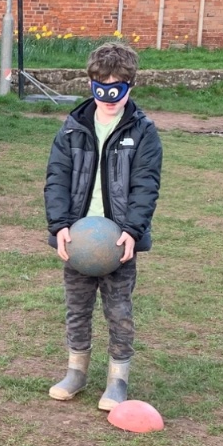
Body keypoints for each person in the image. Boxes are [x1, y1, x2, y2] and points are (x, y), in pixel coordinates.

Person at [44, 41, 163, 409]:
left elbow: (146, 185)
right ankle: (76, 371)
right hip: (77, 239)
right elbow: (56, 179)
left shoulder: (143, 131)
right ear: (91, 85)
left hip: (119, 242)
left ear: (131, 86)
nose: (109, 97)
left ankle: (117, 379)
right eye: (102, 89)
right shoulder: (72, 128)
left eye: (118, 89)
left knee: (119, 311)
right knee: (77, 309)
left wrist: (132, 231)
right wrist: (60, 226)